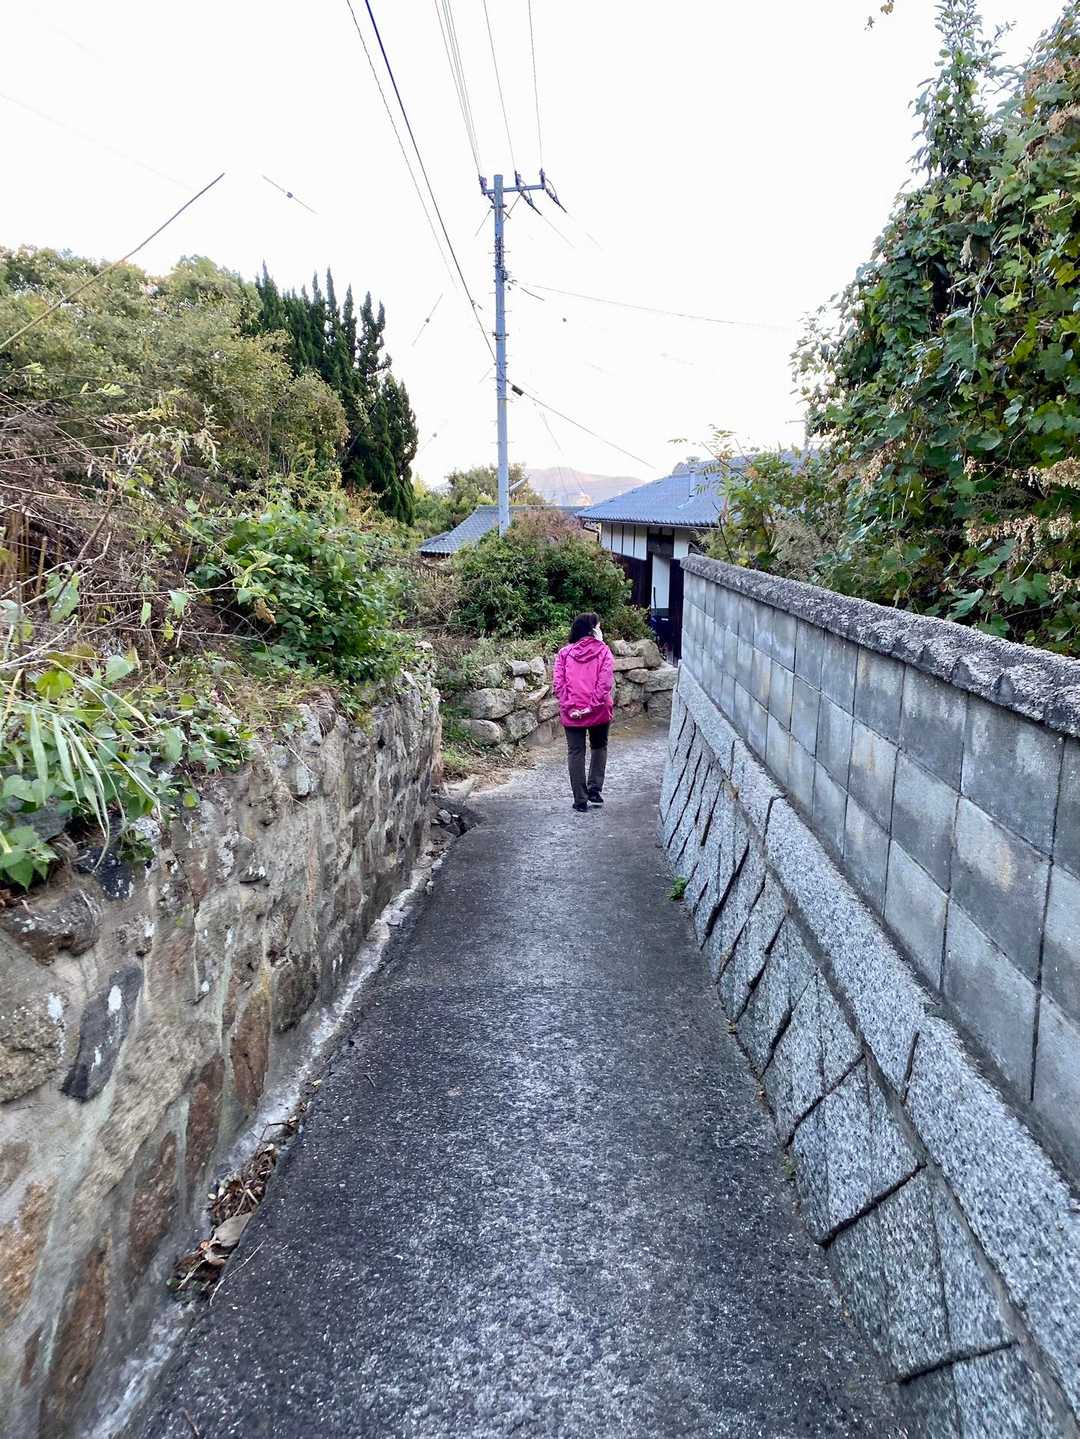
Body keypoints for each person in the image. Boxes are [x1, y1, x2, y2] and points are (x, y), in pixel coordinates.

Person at [552, 612, 615, 812]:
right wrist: (591, 706)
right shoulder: (604, 651)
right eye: (599, 626)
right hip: (599, 710)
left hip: (572, 713)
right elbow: (605, 683)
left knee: (575, 752)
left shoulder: (564, 653)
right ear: (593, 629)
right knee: (599, 747)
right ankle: (594, 790)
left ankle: (580, 799)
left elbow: (558, 684)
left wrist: (571, 707)